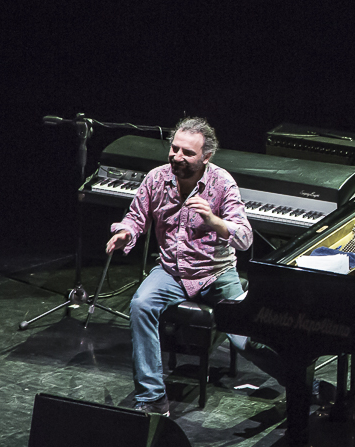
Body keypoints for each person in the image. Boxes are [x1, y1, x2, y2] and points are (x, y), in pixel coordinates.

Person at [106, 117, 253, 417]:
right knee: (141, 304)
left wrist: (214, 221)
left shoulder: (222, 183)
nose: (177, 157)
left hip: (215, 273)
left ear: (206, 156)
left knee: (249, 338)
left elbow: (246, 238)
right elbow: (136, 216)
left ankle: (306, 386)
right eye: (174, 149)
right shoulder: (156, 178)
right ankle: (153, 397)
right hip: (171, 271)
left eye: (187, 153)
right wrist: (126, 233)